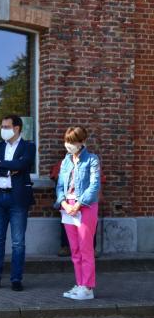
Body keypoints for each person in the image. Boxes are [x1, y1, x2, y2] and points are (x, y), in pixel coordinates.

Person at [0, 115, 36, 292]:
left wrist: (1, 164)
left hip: (17, 198)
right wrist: (9, 169)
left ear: (17, 128)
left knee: (18, 242)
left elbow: (24, 164)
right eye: (2, 126)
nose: (3, 129)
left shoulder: (28, 146)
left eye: (6, 126)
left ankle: (16, 279)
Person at [55, 126, 101, 301]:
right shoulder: (65, 161)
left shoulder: (92, 160)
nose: (69, 145)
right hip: (68, 207)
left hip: (86, 207)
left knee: (85, 248)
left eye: (72, 142)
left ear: (82, 142)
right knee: (74, 249)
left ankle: (88, 287)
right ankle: (80, 283)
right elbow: (60, 186)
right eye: (67, 141)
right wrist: (64, 203)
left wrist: (79, 204)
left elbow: (94, 185)